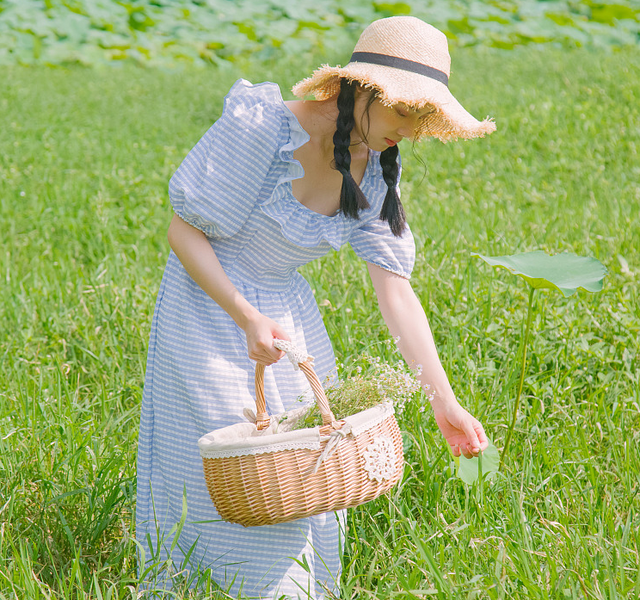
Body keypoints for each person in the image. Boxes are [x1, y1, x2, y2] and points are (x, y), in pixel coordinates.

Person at [136, 15, 495, 599]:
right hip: (208, 306)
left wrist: (444, 403)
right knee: (226, 462)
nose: (412, 131)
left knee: (306, 468)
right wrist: (244, 316)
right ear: (366, 89)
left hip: (287, 315)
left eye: (424, 118)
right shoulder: (264, 128)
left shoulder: (375, 165)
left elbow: (396, 292)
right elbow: (183, 233)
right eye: (407, 111)